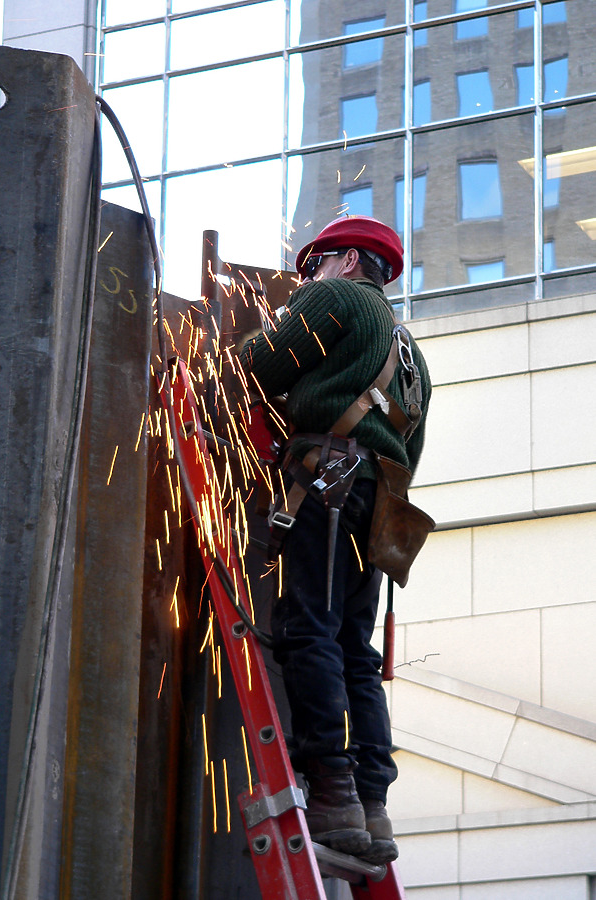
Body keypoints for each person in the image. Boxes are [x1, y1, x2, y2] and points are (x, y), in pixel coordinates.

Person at [239, 215, 431, 864]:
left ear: (347, 260)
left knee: (308, 629)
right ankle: (371, 804)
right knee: (355, 648)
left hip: (328, 481)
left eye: (314, 267)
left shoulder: (338, 296)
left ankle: (329, 788)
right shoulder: (411, 351)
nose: (307, 282)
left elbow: (259, 366)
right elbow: (410, 449)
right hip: (380, 500)